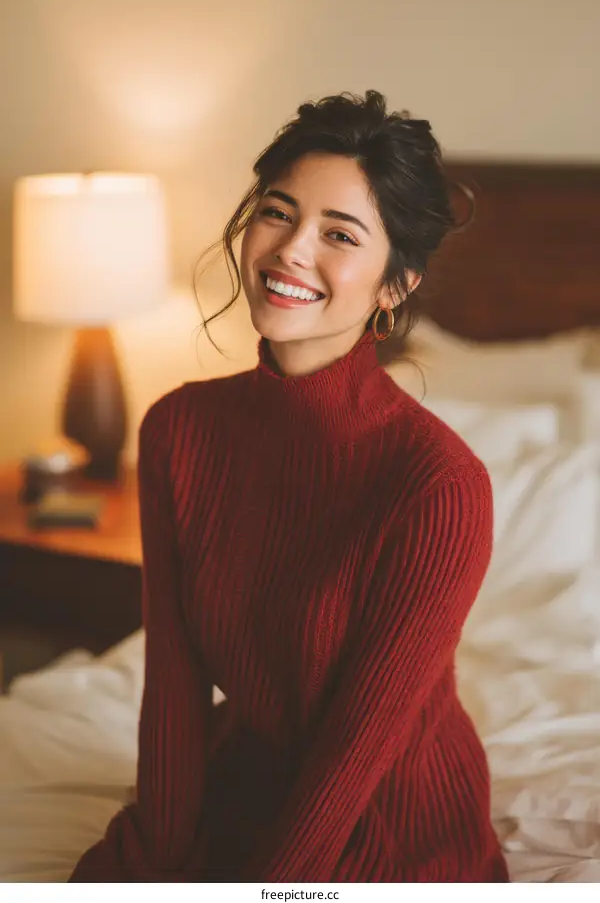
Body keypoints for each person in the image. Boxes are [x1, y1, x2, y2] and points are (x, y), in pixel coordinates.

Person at [69, 90, 510, 883]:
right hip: (245, 785)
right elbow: (172, 687)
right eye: (278, 212)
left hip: (388, 820)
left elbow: (356, 752)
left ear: (394, 286)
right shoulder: (179, 430)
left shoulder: (440, 485)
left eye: (340, 234)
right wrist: (160, 857)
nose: (291, 251)